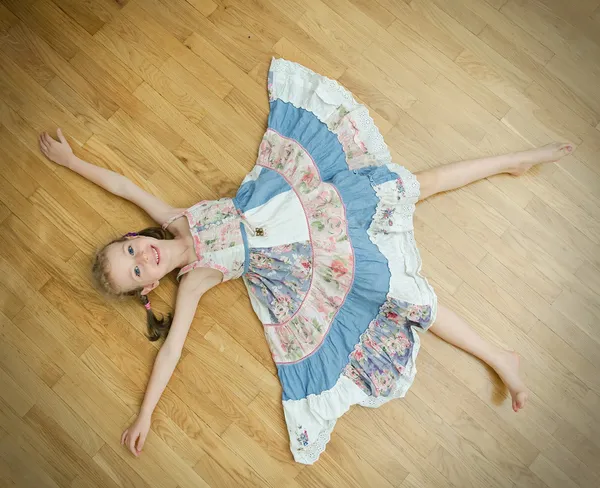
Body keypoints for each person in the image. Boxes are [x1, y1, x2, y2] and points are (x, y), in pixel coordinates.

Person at [38, 58, 573, 465]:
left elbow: (123, 184)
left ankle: (511, 161)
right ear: (148, 287)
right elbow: (173, 348)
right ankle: (501, 358)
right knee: (405, 301)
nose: (142, 257)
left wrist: (71, 161)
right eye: (137, 270)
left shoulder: (175, 217)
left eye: (130, 248)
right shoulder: (196, 279)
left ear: (136, 234)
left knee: (415, 184)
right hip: (307, 257)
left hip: (303, 197)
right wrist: (146, 413)